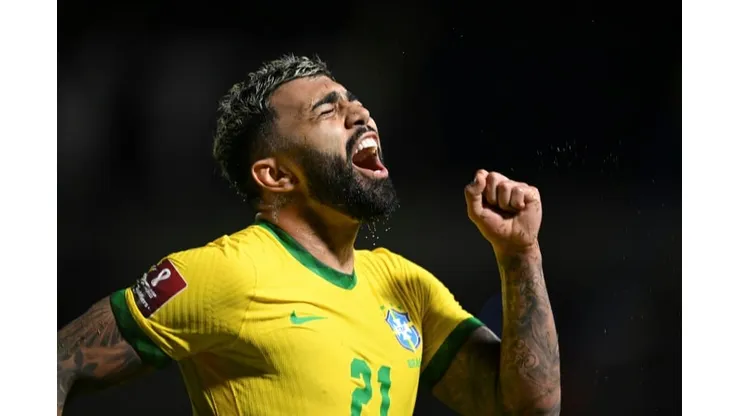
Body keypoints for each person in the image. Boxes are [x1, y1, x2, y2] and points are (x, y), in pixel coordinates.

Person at [57, 55, 561, 416]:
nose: (361, 115)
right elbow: (59, 362)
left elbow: (528, 407)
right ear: (276, 175)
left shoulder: (406, 286)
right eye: (327, 111)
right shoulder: (230, 271)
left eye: (355, 103)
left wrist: (520, 255)